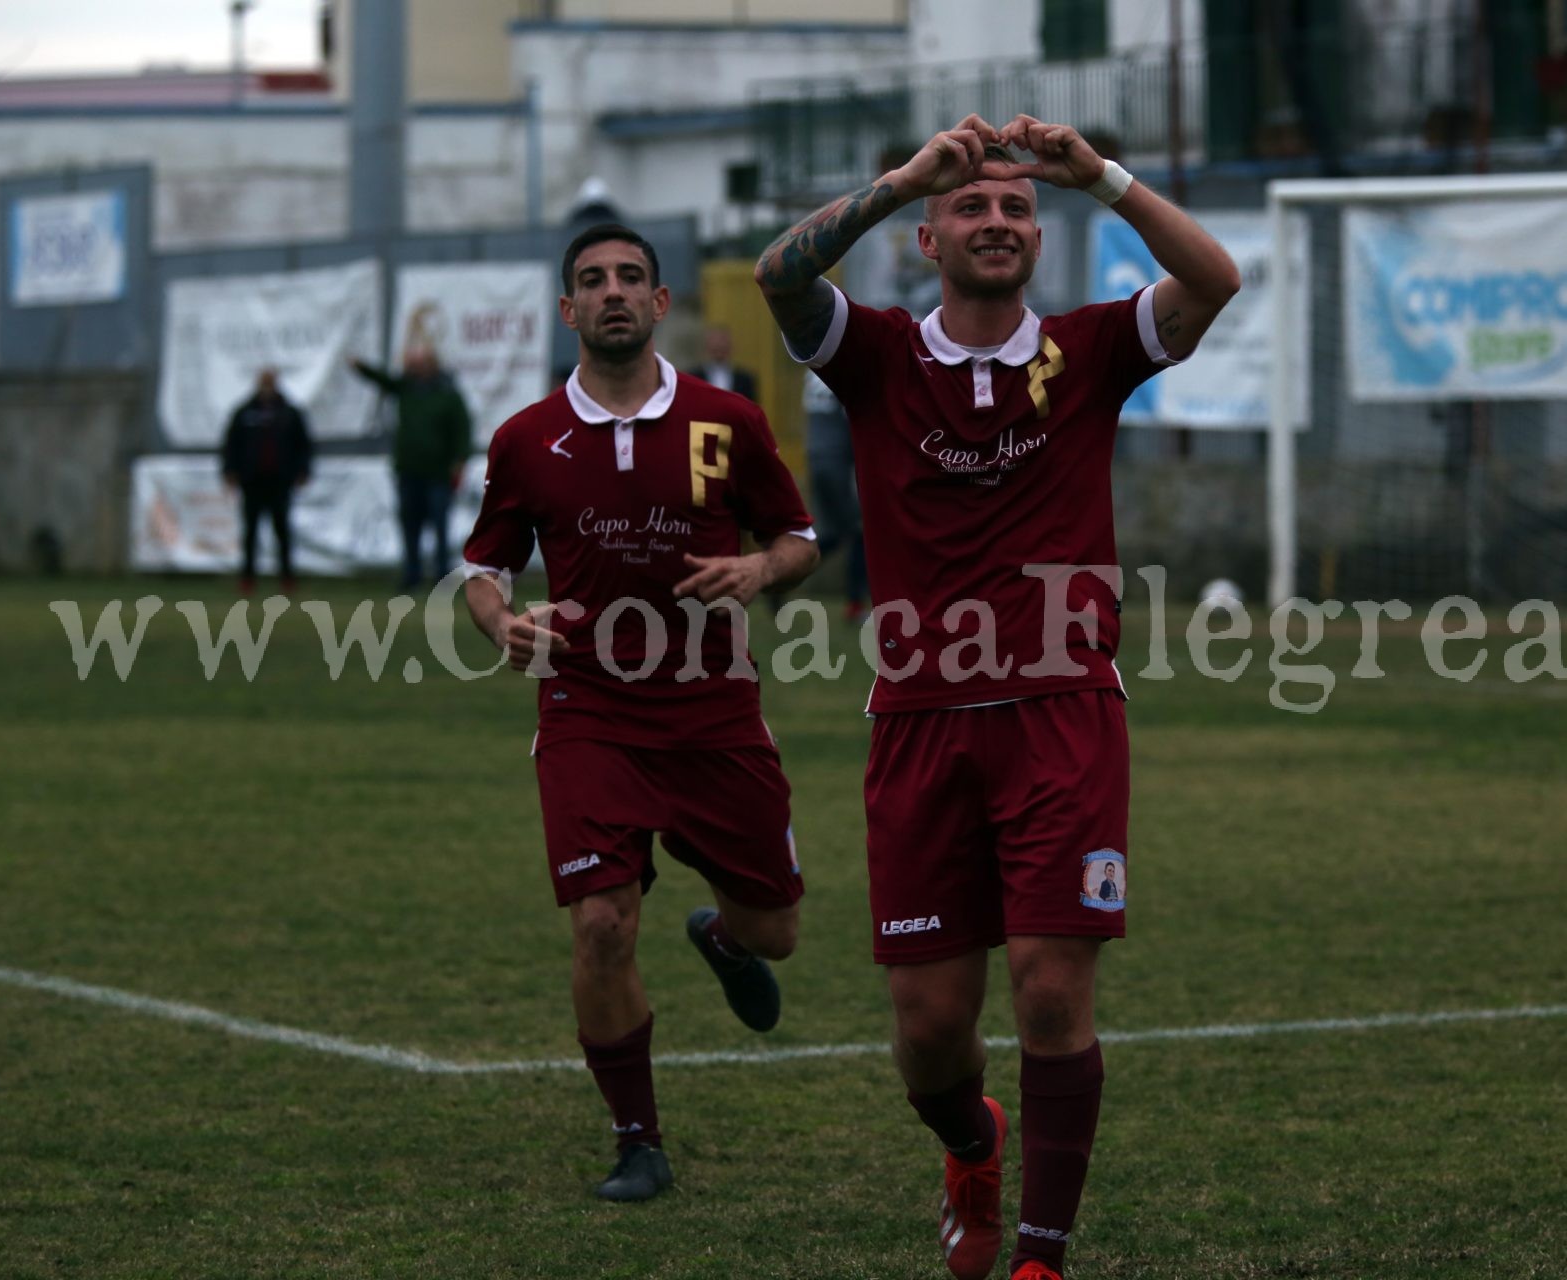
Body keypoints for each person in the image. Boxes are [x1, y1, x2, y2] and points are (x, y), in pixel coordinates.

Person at [755, 114, 1240, 1280]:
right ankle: (973, 1146)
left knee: (1051, 992)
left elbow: (1215, 277)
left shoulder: (1088, 348)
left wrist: (1101, 177)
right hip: (919, 720)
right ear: (929, 237)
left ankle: (1041, 1254)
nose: (997, 221)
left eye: (1018, 210)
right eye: (972, 207)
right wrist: (900, 176)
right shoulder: (874, 353)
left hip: (1063, 709)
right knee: (929, 1034)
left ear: (1038, 238)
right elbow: (782, 273)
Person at [461, 223, 821, 1204]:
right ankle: (638, 1140)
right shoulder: (526, 439)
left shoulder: (727, 420)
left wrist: (757, 566)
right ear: (568, 310)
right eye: (591, 280)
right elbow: (480, 568)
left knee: (780, 926)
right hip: (590, 710)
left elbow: (800, 535)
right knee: (602, 927)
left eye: (630, 277)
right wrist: (499, 621)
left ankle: (725, 935)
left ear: (661, 304)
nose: (612, 291)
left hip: (714, 710)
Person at [349, 346, 473, 590]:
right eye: (414, 363)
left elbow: (462, 428)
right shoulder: (405, 388)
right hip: (408, 472)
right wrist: (360, 367)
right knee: (410, 526)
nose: (417, 368)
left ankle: (441, 577)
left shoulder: (448, 394)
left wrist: (460, 459)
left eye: (422, 363)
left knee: (440, 527)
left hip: (438, 474)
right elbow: (381, 379)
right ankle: (411, 575)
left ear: (433, 364)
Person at [221, 367, 313, 595]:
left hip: (280, 481)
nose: (267, 387)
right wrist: (230, 471)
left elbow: (304, 445)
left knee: (282, 531)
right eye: (263, 382)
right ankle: (247, 578)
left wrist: (302, 471)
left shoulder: (289, 413)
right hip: (252, 481)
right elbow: (231, 444)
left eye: (270, 382)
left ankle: (287, 578)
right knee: (251, 532)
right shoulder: (244, 412)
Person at [804, 373, 869, 621]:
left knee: (837, 533)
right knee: (858, 532)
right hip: (836, 462)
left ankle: (781, 577)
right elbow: (855, 417)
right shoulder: (837, 364)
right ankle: (855, 605)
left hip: (817, 458)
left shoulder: (811, 369)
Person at [689, 324, 759, 401]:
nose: (719, 345)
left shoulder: (745, 379)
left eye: (722, 344)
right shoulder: (694, 377)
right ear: (707, 346)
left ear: (730, 346)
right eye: (715, 345)